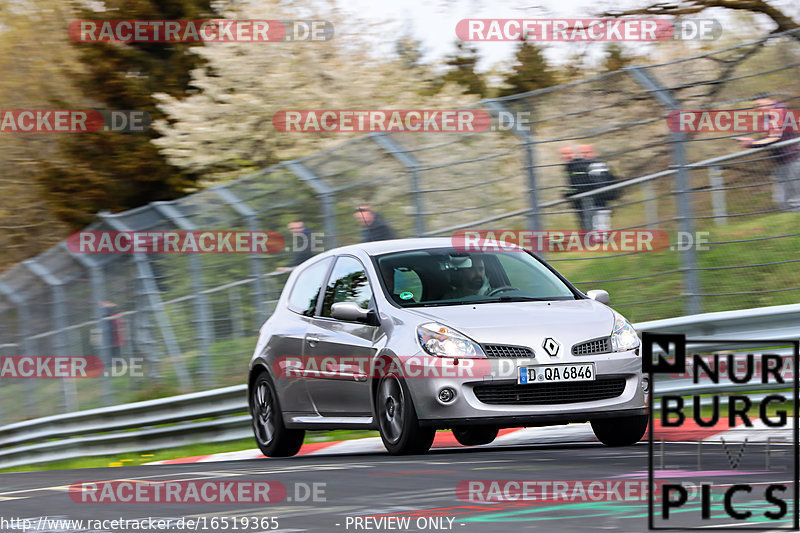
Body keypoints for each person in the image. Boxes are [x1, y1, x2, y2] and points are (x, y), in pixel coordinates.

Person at [735, 93, 800, 211]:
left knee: (794, 200)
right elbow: (771, 137)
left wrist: (752, 143)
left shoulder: (778, 113)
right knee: (783, 201)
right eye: (756, 106)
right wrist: (754, 142)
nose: (758, 108)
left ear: (769, 100)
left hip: (792, 159)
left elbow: (775, 137)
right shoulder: (769, 117)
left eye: (759, 104)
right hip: (782, 162)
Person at [579, 144, 621, 232]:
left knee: (600, 227)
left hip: (598, 203)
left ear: (594, 153)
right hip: (597, 203)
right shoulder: (591, 165)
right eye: (582, 153)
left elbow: (599, 185)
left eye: (587, 152)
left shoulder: (596, 165)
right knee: (599, 227)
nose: (584, 155)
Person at [560, 145, 594, 231]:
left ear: (575, 154)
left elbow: (580, 186)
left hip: (585, 201)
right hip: (581, 202)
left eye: (569, 153)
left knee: (588, 226)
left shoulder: (577, 166)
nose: (566, 156)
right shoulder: (570, 166)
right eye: (563, 154)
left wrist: (567, 192)